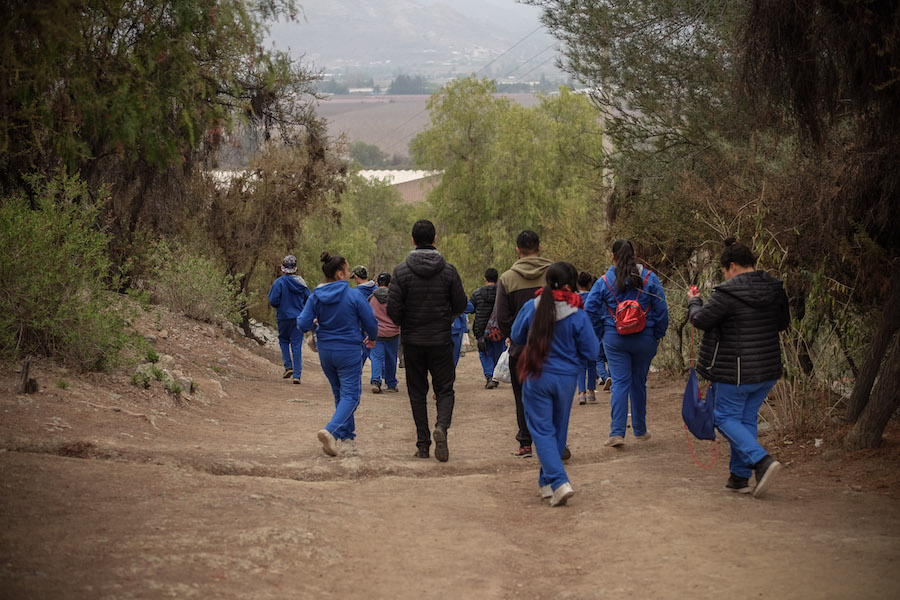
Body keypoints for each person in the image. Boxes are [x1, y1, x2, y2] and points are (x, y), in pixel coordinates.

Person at [688, 238, 790, 498]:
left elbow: (700, 320)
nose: (725, 276)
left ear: (731, 266)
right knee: (744, 420)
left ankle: (762, 461)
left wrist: (694, 301)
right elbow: (782, 323)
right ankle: (739, 477)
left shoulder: (727, 293)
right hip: (767, 370)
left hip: (736, 372)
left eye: (723, 270)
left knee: (722, 417)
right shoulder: (775, 288)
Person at [511, 262, 599, 507]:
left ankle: (559, 482)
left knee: (541, 431)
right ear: (570, 285)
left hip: (536, 377)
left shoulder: (532, 306)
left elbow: (517, 336)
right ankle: (546, 484)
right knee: (558, 430)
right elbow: (592, 351)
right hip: (566, 379)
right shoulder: (577, 313)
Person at [388, 219, 467, 462]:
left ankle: (423, 445)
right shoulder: (449, 271)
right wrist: (447, 317)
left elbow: (393, 311)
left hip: (412, 342)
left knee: (417, 393)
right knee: (445, 390)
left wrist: (406, 322)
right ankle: (441, 427)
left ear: (413, 241)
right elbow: (461, 304)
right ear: (435, 239)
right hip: (441, 340)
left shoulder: (401, 272)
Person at [585, 240, 668, 447]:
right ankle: (640, 431)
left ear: (612, 256)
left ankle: (617, 433)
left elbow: (590, 309)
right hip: (645, 339)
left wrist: (602, 332)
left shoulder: (603, 282)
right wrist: (656, 334)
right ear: (635, 254)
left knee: (620, 383)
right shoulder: (649, 278)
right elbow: (661, 310)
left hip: (615, 339)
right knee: (639, 383)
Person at [298, 252, 378, 457]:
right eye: (347, 269)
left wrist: (316, 322)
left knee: (339, 393)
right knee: (351, 395)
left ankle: (347, 439)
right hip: (349, 351)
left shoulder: (315, 296)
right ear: (340, 274)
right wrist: (372, 336)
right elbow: (370, 321)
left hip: (325, 352)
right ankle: (331, 430)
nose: (350, 273)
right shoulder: (353, 295)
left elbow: (303, 323)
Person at [495, 230, 552, 458]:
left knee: (522, 396)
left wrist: (514, 336)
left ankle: (525, 443)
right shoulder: (554, 273)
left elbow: (501, 316)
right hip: (551, 347)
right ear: (540, 247)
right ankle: (554, 439)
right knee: (550, 394)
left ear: (517, 250)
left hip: (520, 350)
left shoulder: (507, 278)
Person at [267, 255, 310, 384]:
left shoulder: (278, 282)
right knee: (296, 345)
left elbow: (273, 301)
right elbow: (309, 300)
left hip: (283, 317)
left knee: (283, 340)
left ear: (283, 268)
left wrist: (281, 305)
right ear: (296, 269)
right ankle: (297, 375)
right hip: (298, 318)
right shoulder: (302, 284)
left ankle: (288, 366)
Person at [469, 268, 504, 389]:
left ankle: (489, 377)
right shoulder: (502, 293)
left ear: (485, 279)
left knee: (484, 352)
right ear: (497, 278)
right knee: (498, 352)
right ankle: (495, 376)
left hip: (481, 329)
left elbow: (471, 309)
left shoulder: (477, 293)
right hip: (499, 330)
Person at [368, 272, 401, 395]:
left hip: (377, 332)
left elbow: (368, 315)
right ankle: (391, 384)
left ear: (377, 283)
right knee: (391, 358)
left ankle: (376, 381)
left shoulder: (372, 298)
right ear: (390, 284)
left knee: (376, 357)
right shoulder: (395, 297)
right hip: (393, 333)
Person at [352, 265, 378, 374]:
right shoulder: (376, 289)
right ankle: (357, 372)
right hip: (375, 324)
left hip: (361, 325)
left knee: (367, 351)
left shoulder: (357, 292)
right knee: (369, 351)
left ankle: (383, 373)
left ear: (357, 277)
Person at [451, 302, 474, 367]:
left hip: (436, 329)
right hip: (455, 328)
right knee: (453, 357)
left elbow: (470, 308)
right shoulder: (455, 293)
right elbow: (470, 308)